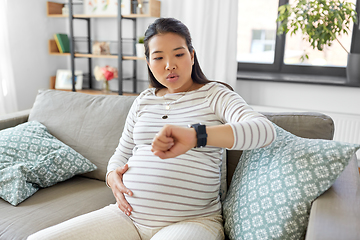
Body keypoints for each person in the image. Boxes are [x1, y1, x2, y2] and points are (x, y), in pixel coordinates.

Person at [28, 18, 276, 240]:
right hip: (128, 217)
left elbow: (264, 131)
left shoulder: (215, 95)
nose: (170, 65)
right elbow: (121, 153)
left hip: (192, 221)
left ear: (192, 55)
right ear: (148, 61)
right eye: (158, 57)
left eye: (179, 54)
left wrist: (197, 135)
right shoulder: (144, 100)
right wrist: (112, 176)